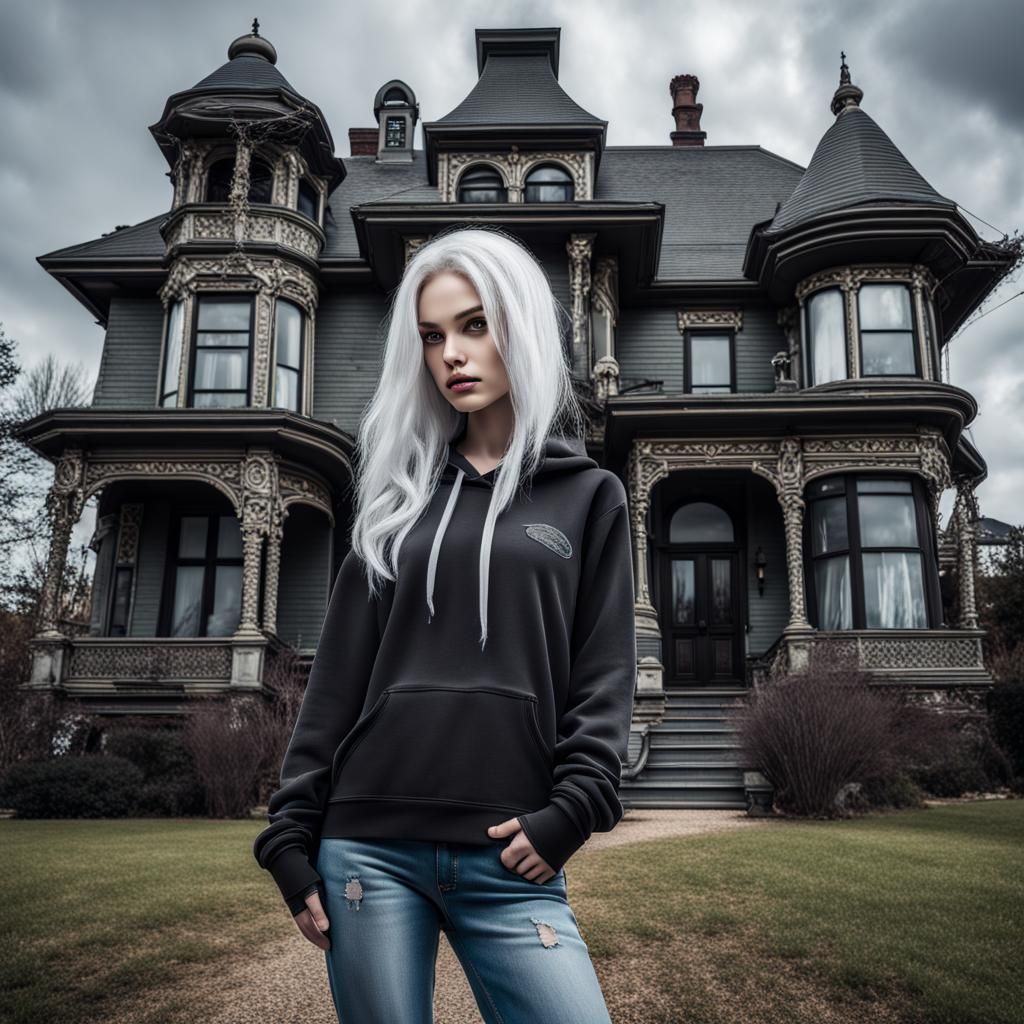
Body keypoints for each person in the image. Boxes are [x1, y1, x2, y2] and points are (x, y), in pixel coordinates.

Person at [252, 225, 637, 1023]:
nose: (452, 355)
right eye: (432, 336)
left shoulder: (590, 496)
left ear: (521, 328)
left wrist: (575, 809)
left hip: (511, 857)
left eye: (473, 325)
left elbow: (604, 678)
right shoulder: (396, 496)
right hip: (367, 850)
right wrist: (289, 833)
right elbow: (338, 681)